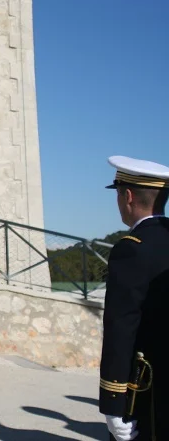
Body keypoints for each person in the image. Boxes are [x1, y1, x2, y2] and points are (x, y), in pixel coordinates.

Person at [98, 156, 169, 441]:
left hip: (148, 392)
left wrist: (113, 402)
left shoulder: (131, 249)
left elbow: (120, 329)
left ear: (127, 196)